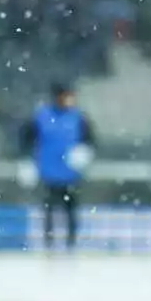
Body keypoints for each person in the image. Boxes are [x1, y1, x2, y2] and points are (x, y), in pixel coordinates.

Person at [18, 81, 96, 251]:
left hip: (70, 174)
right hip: (48, 173)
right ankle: (49, 244)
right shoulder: (41, 117)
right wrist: (26, 161)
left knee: (70, 211)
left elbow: (89, 140)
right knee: (49, 210)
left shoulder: (78, 117)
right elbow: (25, 139)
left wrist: (84, 153)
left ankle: (71, 244)